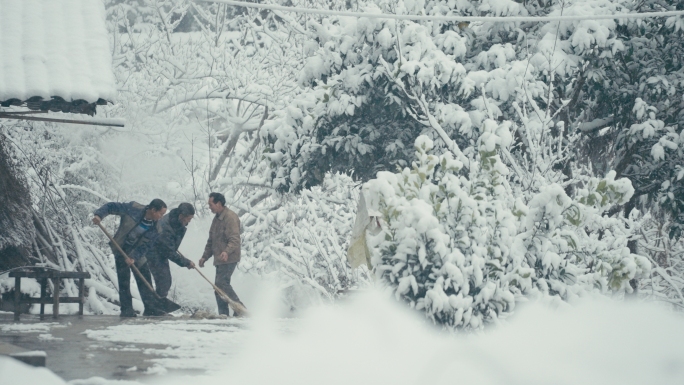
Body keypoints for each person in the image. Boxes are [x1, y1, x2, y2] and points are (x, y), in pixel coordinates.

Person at [92, 199, 167, 317]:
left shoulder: (157, 228)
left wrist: (134, 257)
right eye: (161, 214)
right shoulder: (133, 209)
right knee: (124, 280)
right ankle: (126, 310)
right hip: (121, 247)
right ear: (153, 210)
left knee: (145, 279)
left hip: (138, 252)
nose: (161, 217)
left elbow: (147, 246)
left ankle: (150, 309)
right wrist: (99, 215)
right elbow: (111, 206)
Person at [199, 192, 244, 315]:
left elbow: (234, 239)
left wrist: (226, 252)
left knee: (221, 284)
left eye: (210, 204)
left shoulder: (230, 217)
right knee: (218, 288)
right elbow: (211, 240)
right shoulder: (216, 219)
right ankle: (223, 314)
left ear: (218, 204)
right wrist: (204, 256)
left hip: (229, 257)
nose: (209, 207)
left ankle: (240, 309)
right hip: (220, 258)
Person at [149, 203, 196, 298]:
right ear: (182, 216)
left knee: (165, 281)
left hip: (161, 251)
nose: (189, 221)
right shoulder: (166, 227)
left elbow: (170, 246)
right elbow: (169, 252)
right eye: (189, 219)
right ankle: (157, 306)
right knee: (164, 281)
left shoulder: (176, 220)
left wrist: (171, 246)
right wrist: (186, 262)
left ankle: (158, 303)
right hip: (153, 252)